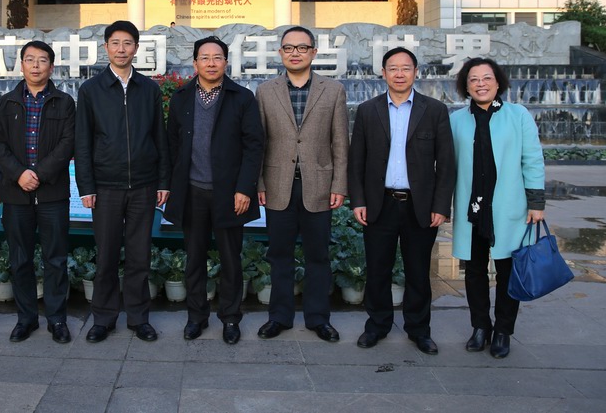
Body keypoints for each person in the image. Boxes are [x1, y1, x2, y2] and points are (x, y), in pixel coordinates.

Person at [348, 47, 455, 355]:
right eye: (392, 68)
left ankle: (419, 330)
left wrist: (441, 206)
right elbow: (356, 160)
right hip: (379, 203)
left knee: (418, 271)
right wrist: (358, 201)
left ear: (416, 72)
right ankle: (377, 325)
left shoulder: (434, 110)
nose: (399, 74)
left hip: (419, 205)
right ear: (383, 73)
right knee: (377, 269)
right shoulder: (368, 110)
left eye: (405, 68)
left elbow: (446, 163)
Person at [74, 20, 171, 343]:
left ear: (136, 48)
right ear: (106, 48)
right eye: (115, 43)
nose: (121, 49)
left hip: (144, 185)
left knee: (140, 256)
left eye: (127, 43)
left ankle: (138, 318)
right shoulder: (91, 90)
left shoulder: (149, 89)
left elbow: (159, 137)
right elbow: (82, 142)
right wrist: (86, 187)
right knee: (106, 256)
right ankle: (103, 318)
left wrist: (163, 181)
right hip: (106, 187)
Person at [164, 36, 264, 344]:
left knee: (231, 259)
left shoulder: (242, 97)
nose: (211, 63)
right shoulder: (181, 97)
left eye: (217, 57)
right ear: (195, 63)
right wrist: (170, 186)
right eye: (204, 58)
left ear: (226, 62)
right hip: (192, 192)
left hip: (229, 194)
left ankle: (230, 318)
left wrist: (244, 188)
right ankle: (196, 317)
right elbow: (172, 144)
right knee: (194, 258)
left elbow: (254, 146)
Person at [255, 26, 349, 342]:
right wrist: (259, 183)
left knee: (318, 256)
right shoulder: (265, 91)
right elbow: (259, 142)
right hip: (278, 185)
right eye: (289, 48)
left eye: (302, 47)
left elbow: (340, 142)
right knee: (279, 255)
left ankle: (318, 319)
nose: (295, 53)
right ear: (280, 53)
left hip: (319, 186)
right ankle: (279, 317)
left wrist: (339, 185)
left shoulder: (332, 90)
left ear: (313, 52)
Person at [451, 57, 545, 359]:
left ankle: (503, 330)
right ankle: (480, 326)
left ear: (497, 82)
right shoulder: (456, 120)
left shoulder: (518, 115)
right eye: (474, 79)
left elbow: (532, 158)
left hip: (508, 207)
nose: (481, 84)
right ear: (466, 86)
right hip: (472, 208)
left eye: (486, 78)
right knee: (474, 270)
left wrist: (536, 202)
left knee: (507, 270)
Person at [0, 40, 76, 344]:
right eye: (29, 59)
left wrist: (39, 173)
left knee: (55, 259)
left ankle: (57, 319)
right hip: (16, 195)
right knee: (20, 259)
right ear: (21, 65)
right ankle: (25, 319)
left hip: (53, 194)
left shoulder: (64, 102)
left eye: (42, 60)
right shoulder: (5, 103)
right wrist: (19, 174)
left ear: (52, 67)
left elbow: (68, 143)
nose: (36, 65)